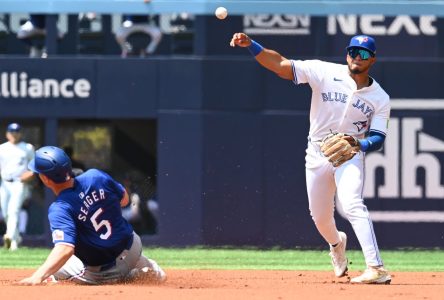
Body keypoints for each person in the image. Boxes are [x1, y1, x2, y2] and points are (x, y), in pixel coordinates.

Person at [230, 33, 391, 284]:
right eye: (353, 52)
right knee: (320, 218)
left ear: (373, 59)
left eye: (364, 54)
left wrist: (359, 143)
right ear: (347, 54)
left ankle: (376, 268)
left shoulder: (380, 98)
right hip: (317, 153)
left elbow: (378, 137)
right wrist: (252, 45)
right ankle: (337, 244)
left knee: (352, 204)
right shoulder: (324, 71)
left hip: (348, 155)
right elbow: (281, 66)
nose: (356, 57)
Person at [18, 146, 166, 285]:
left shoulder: (60, 207)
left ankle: (130, 276)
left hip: (105, 271)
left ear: (46, 179)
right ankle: (151, 270)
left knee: (55, 272)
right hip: (133, 245)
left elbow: (65, 249)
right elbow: (125, 200)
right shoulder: (95, 176)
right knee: (125, 252)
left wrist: (37, 276)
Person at [0, 123, 35, 251]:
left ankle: (11, 240)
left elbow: (34, 167)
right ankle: (16, 236)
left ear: (20, 133)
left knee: (13, 210)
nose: (14, 134)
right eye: (12, 132)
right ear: (7, 134)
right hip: (5, 183)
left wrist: (29, 175)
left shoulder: (27, 147)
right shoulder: (2, 148)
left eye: (16, 132)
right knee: (5, 213)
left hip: (20, 183)